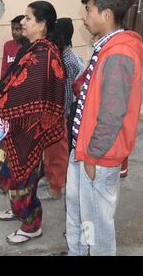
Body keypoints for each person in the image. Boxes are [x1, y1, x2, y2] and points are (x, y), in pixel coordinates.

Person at [66, 0, 143, 256]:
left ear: (106, 14)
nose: (84, 16)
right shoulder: (106, 48)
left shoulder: (118, 54)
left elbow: (112, 115)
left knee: (98, 229)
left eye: (88, 10)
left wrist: (93, 156)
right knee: (79, 217)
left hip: (97, 157)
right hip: (84, 150)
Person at [0, 1, 66, 244]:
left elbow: (28, 92)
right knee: (15, 172)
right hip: (20, 126)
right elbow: (12, 80)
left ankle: (32, 224)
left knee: (23, 174)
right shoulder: (32, 49)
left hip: (28, 131)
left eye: (28, 18)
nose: (22, 22)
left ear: (42, 25)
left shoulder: (43, 54)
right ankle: (17, 210)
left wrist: (0, 101)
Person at [38, 18, 85, 200]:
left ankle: (56, 188)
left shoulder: (68, 60)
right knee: (49, 151)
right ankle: (50, 179)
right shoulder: (60, 55)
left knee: (57, 153)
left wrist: (58, 116)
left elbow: (65, 92)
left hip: (58, 114)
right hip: (51, 112)